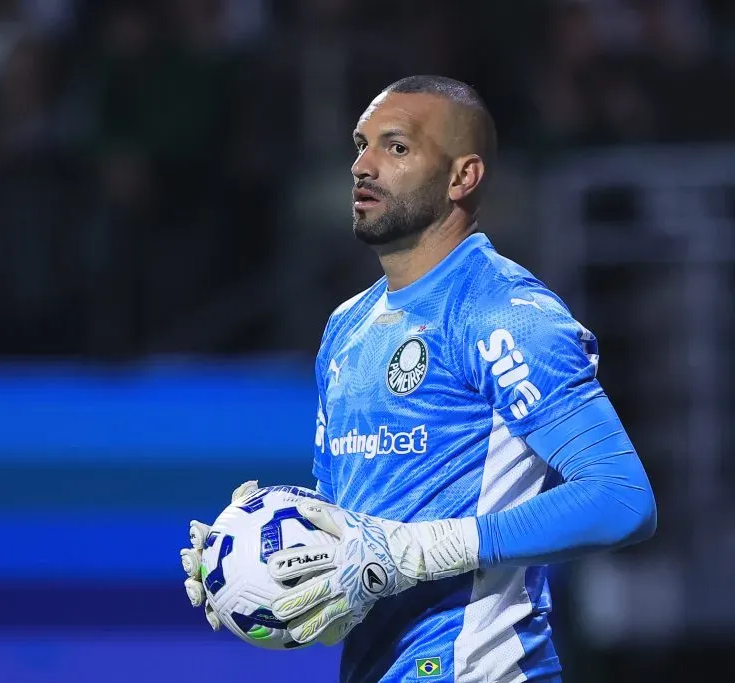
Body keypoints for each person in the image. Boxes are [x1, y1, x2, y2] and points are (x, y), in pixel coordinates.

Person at [180, 75, 657, 682]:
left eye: (396, 147)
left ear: (463, 177)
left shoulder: (500, 310)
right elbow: (358, 535)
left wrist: (419, 552)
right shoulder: (347, 326)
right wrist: (254, 557)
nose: (362, 165)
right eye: (360, 144)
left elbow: (621, 498)